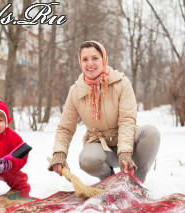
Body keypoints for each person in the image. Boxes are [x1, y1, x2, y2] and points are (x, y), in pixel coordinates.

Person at [48, 40, 160, 183]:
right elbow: (65, 127)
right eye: (85, 59)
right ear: (80, 62)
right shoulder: (76, 91)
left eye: (95, 58)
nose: (90, 63)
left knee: (151, 132)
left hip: (126, 141)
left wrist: (125, 153)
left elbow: (127, 120)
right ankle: (109, 182)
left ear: (104, 59)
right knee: (87, 159)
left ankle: (136, 182)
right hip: (101, 145)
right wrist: (59, 154)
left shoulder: (121, 83)